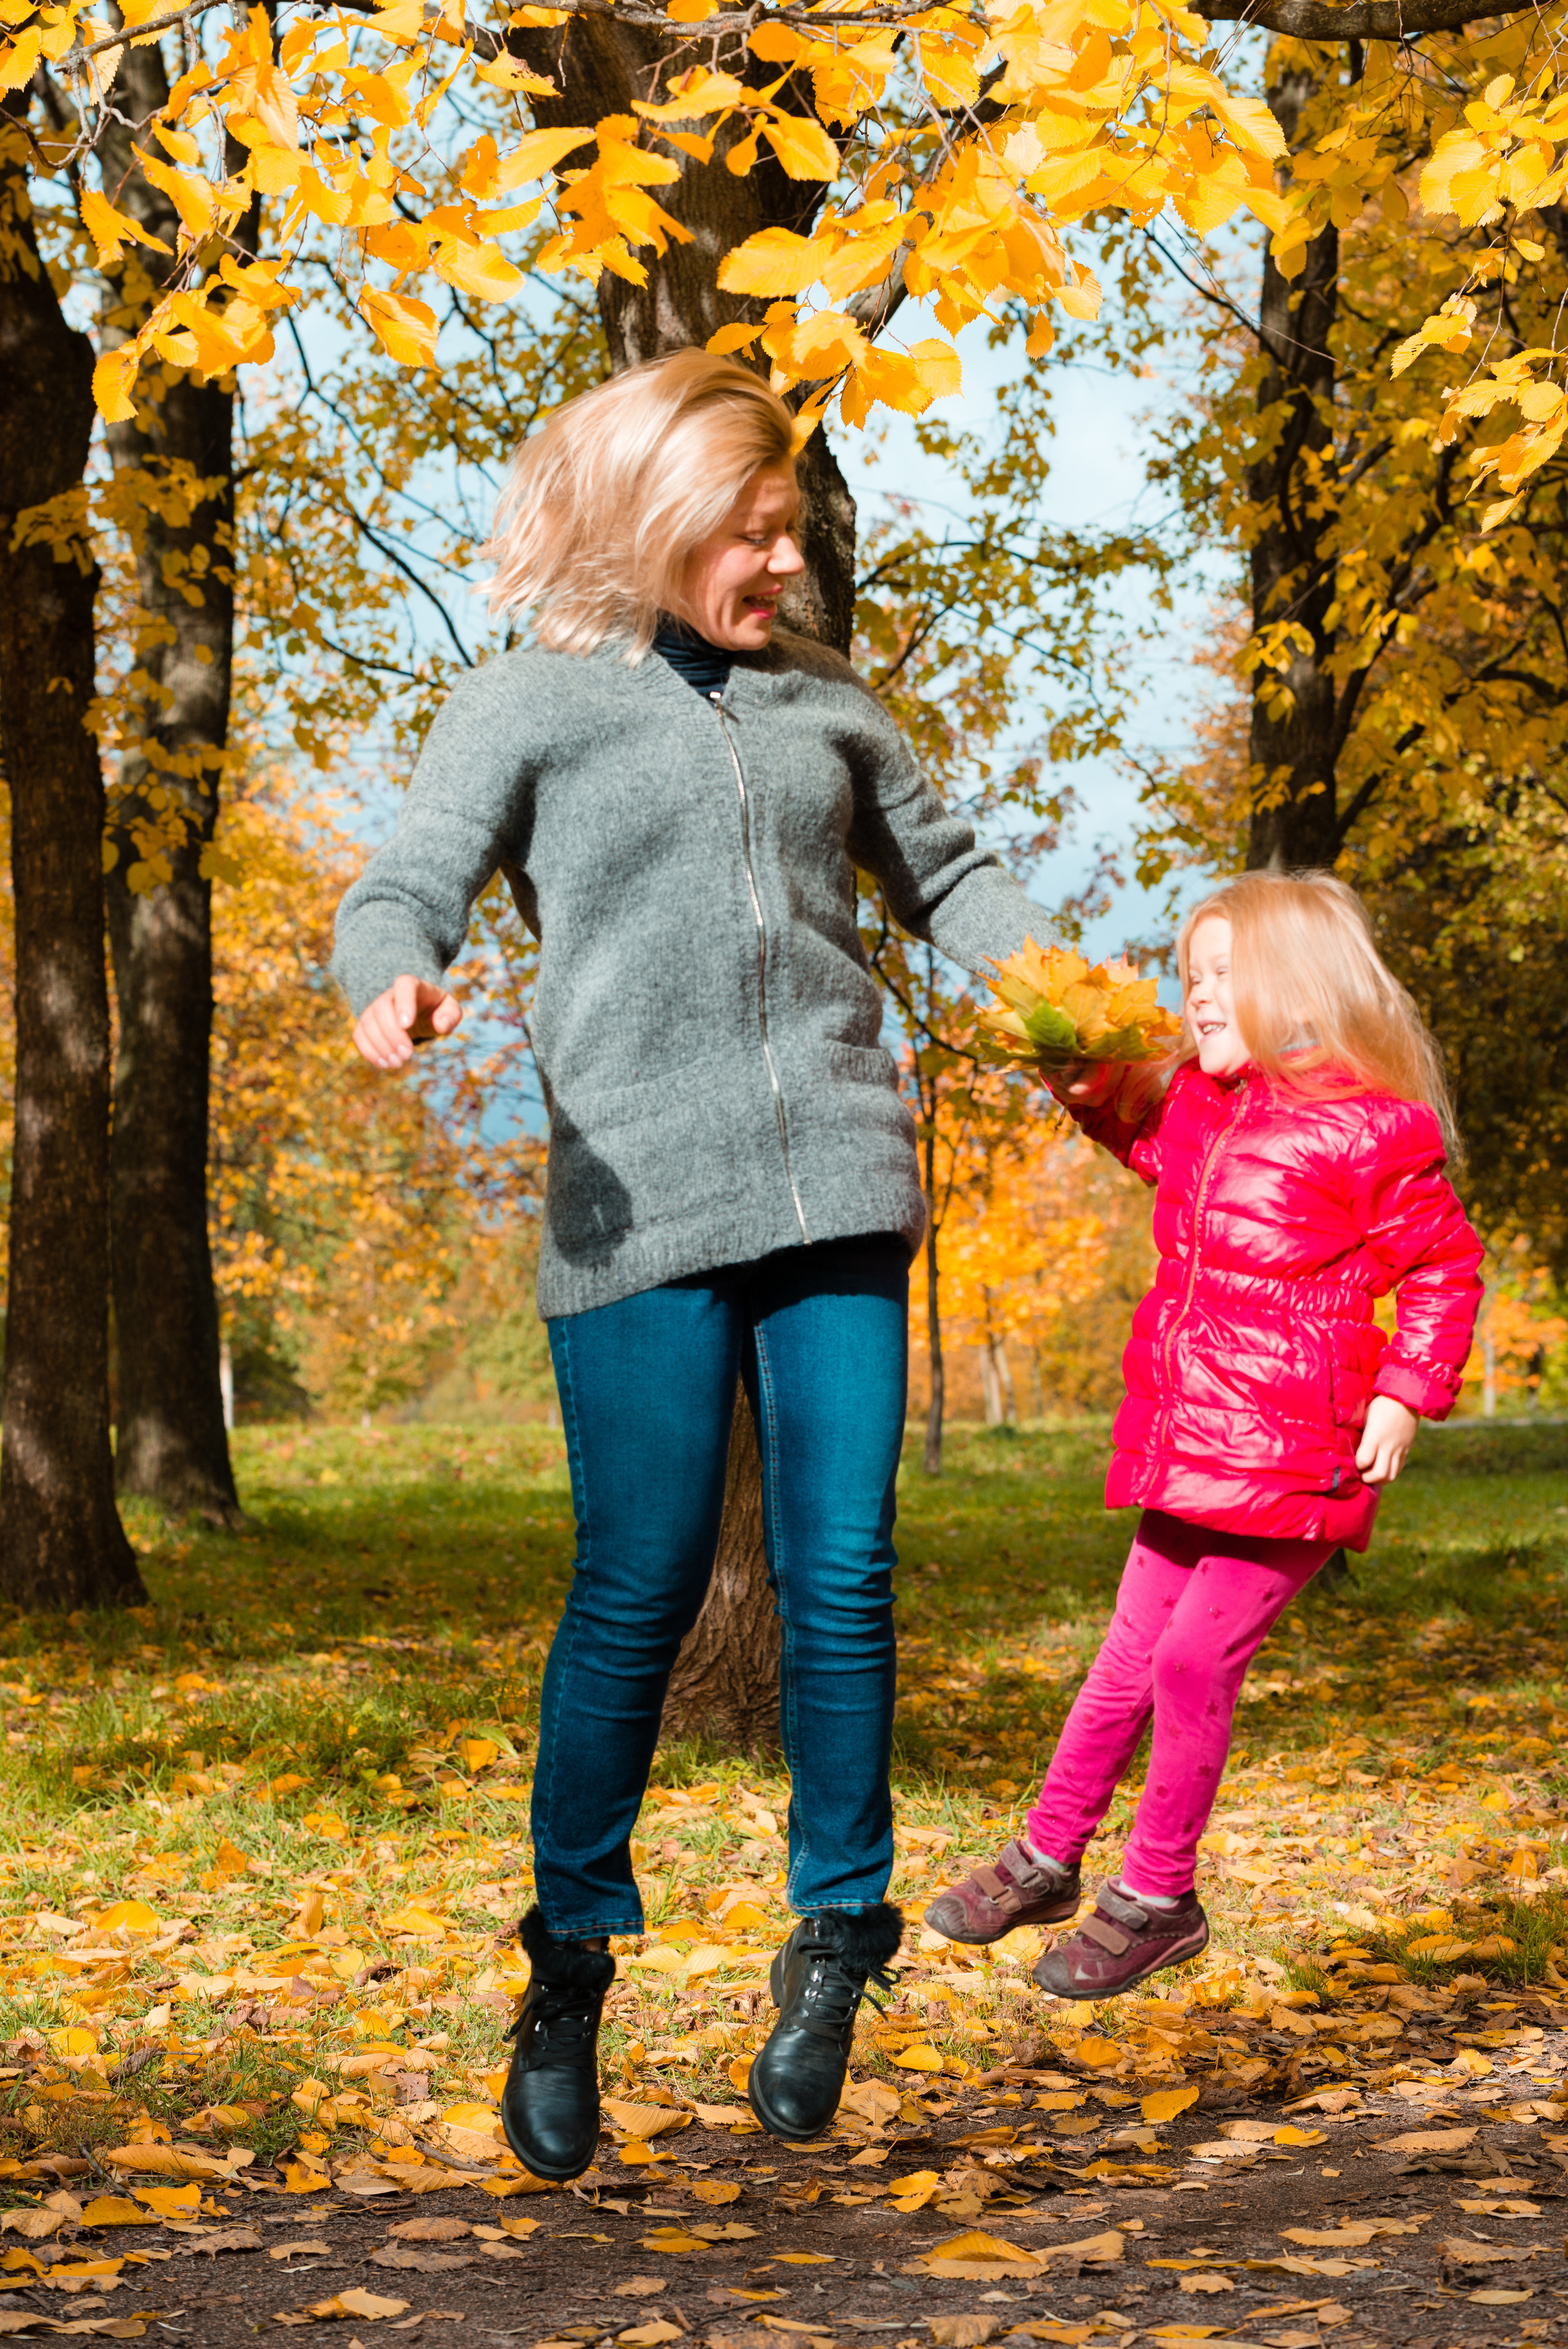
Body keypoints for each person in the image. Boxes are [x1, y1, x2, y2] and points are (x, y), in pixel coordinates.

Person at [333, 350, 1053, 2176]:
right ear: (656, 522)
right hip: (638, 1204)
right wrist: (392, 971)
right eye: (745, 533)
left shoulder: (832, 709)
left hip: (838, 1185)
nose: (779, 562)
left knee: (844, 1575)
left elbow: (957, 884)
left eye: (787, 528)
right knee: (638, 1587)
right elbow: (407, 875)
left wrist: (1096, 1019)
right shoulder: (528, 706)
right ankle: (569, 1961)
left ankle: (839, 1934)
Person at [925, 871, 1483, 1997]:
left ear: (1298, 985)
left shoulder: (1376, 1130)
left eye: (1226, 975)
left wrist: (1405, 1392)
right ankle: (1048, 1855)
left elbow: (1443, 1265)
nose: (1202, 996)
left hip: (1302, 1456)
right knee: (1126, 1660)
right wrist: (1086, 1087)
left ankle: (1158, 1897)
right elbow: (1148, 1152)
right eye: (1193, 977)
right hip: (1194, 1438)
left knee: (1189, 1659)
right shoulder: (1200, 1110)